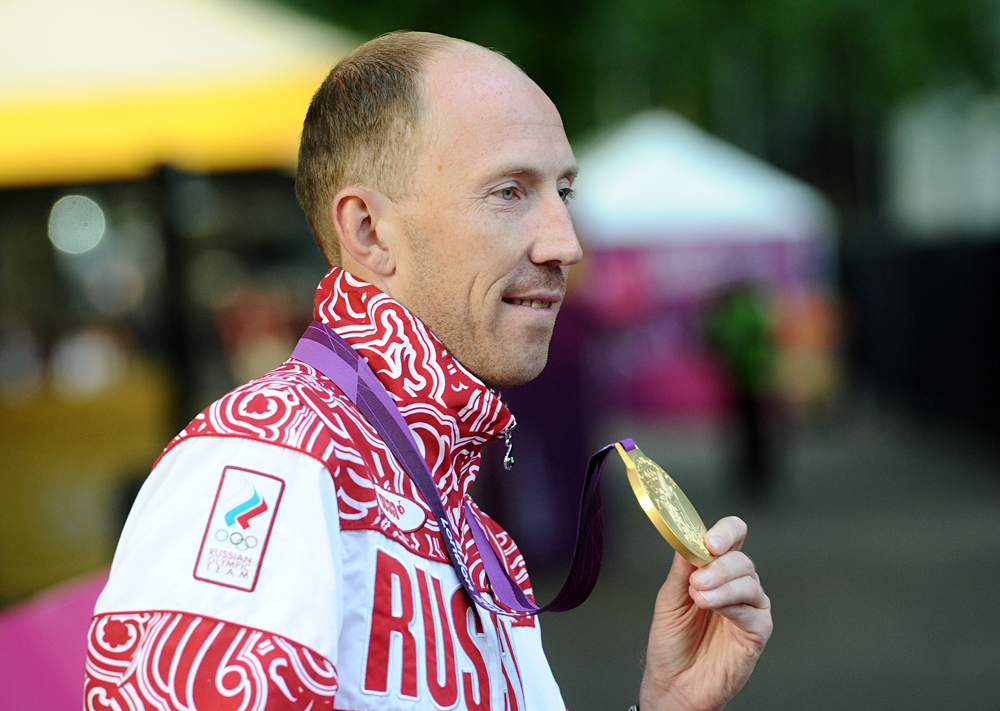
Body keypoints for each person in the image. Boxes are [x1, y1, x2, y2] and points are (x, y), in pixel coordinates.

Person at [84, 32, 771, 711]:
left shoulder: (440, 487)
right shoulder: (271, 459)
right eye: (509, 191)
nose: (566, 241)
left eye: (563, 189)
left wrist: (665, 706)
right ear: (369, 232)